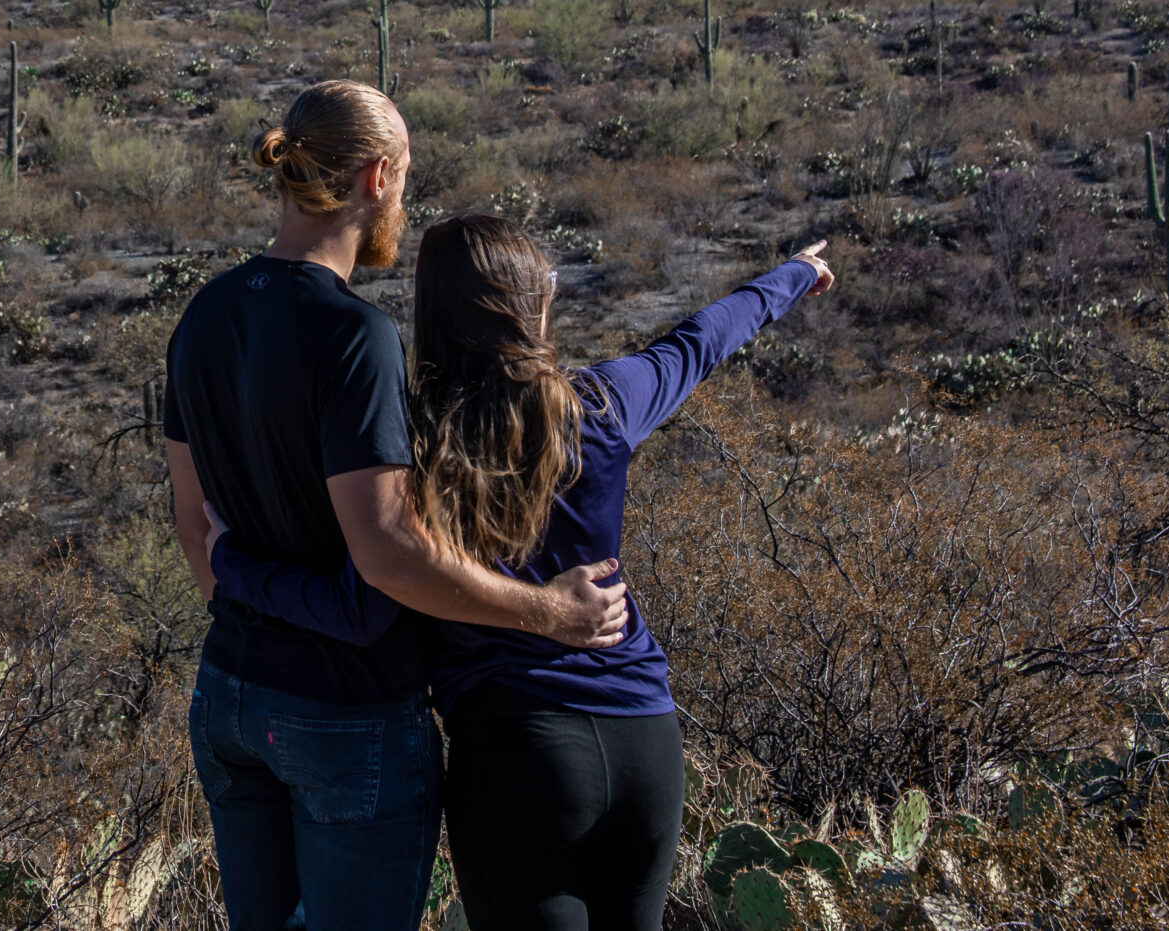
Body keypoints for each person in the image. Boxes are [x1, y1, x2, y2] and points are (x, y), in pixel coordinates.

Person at [207, 214, 834, 931]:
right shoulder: (605, 403)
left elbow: (362, 601)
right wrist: (793, 275)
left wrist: (231, 562)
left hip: (515, 753)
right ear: (533, 302)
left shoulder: (413, 446)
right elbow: (702, 339)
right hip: (644, 739)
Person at [163, 81, 630, 931]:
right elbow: (386, 552)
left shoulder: (204, 314)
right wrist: (546, 612)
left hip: (230, 693)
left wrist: (246, 597)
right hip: (347, 713)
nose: (404, 207)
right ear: (375, 177)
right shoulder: (354, 336)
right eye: (407, 182)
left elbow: (196, 527)